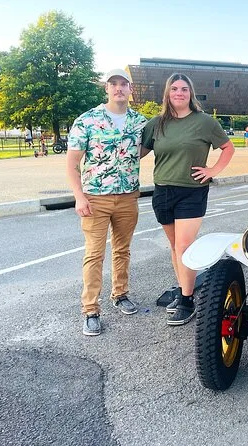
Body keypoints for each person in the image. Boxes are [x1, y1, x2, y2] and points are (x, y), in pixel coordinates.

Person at [141, 73, 234, 326]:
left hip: (192, 191)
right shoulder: (156, 124)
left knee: (184, 246)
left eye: (184, 89)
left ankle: (186, 300)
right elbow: (138, 152)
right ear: (167, 93)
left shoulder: (204, 122)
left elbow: (228, 148)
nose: (179, 93)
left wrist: (213, 170)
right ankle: (184, 288)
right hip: (163, 192)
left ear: (190, 93)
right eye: (174, 89)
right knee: (175, 247)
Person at [66, 68, 148, 336]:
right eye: (113, 84)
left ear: (131, 89)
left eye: (124, 84)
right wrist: (79, 196)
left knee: (122, 250)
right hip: (95, 198)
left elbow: (144, 149)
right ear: (107, 89)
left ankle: (120, 294)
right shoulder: (87, 120)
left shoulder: (140, 122)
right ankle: (90, 309)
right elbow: (72, 162)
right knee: (94, 253)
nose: (118, 88)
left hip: (127, 197)